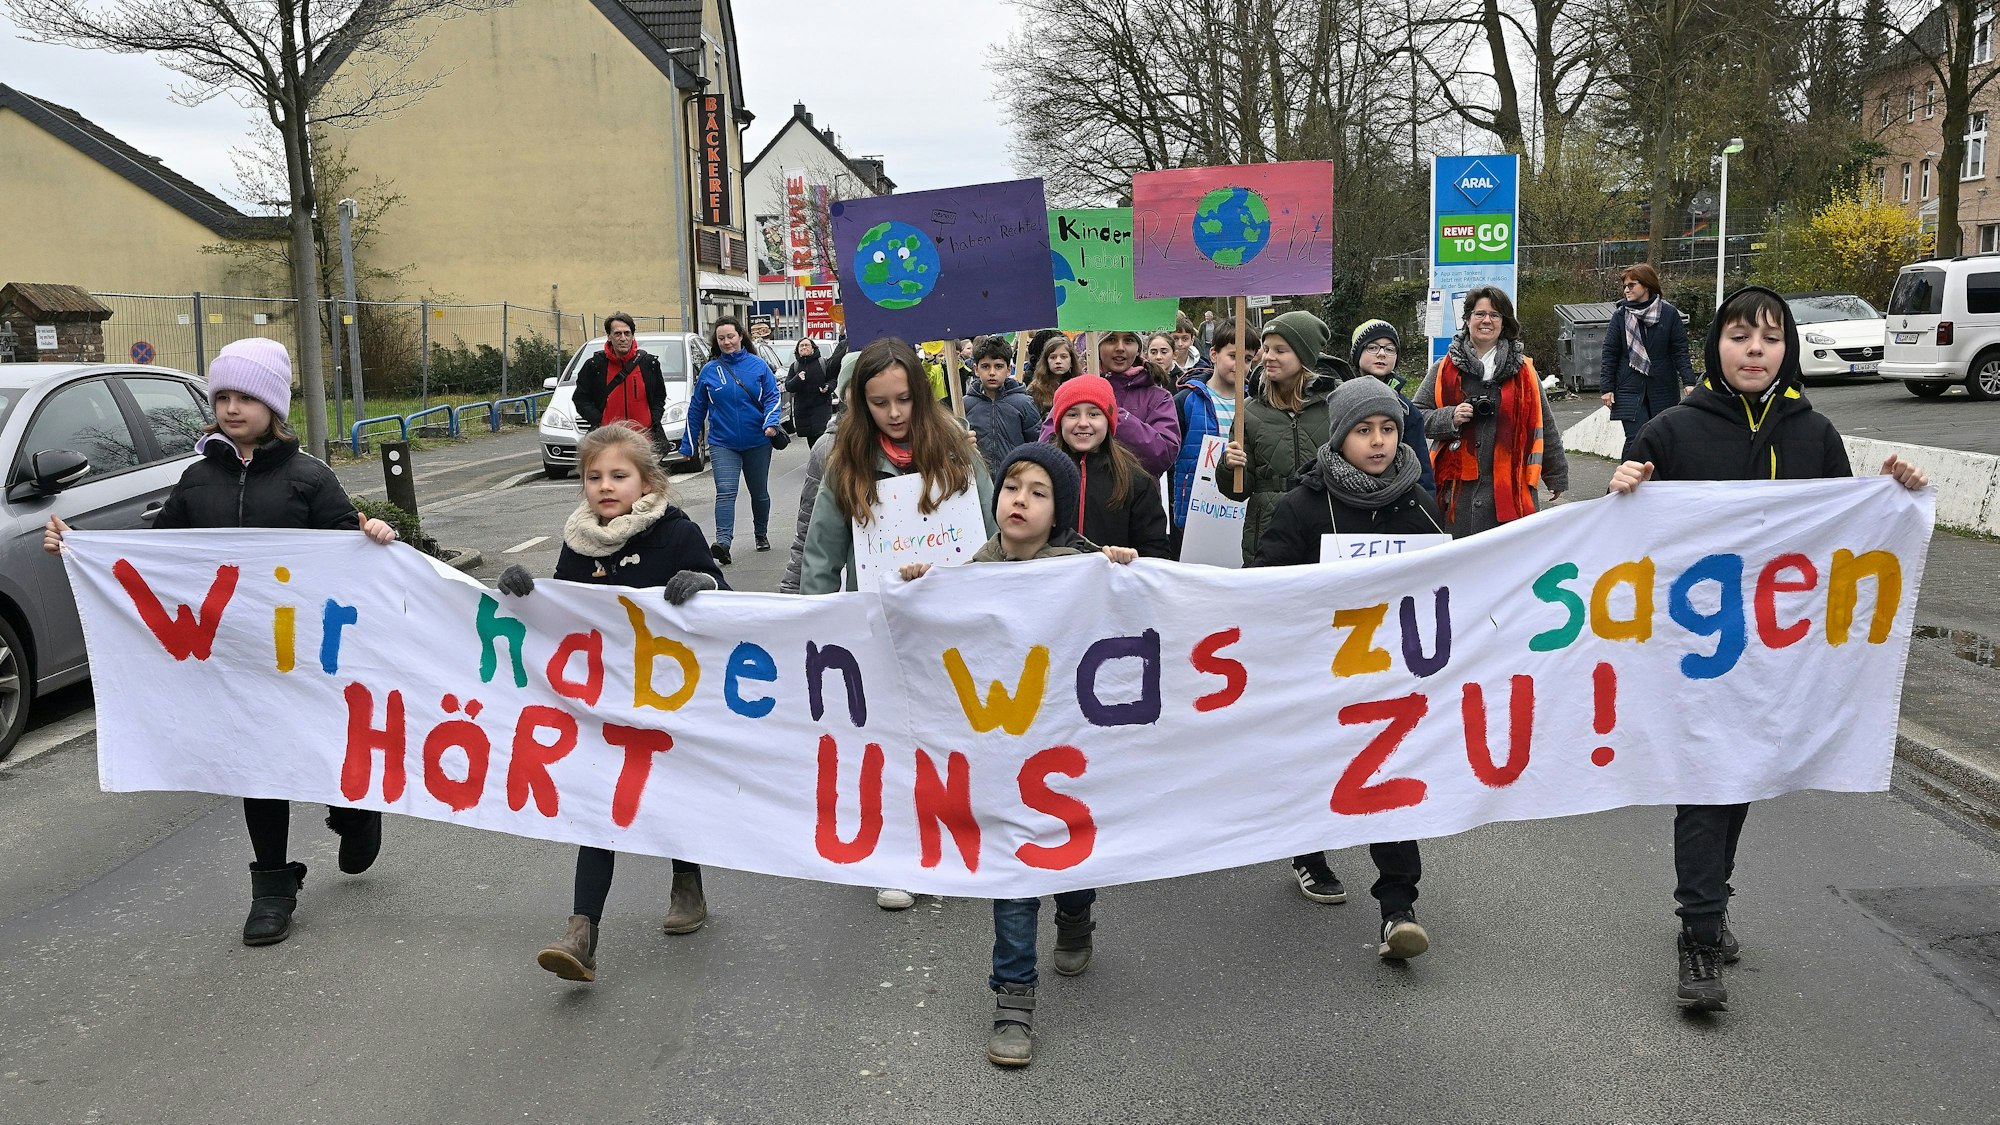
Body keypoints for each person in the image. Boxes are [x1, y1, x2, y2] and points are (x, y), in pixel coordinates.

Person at [1607, 285, 1930, 1012]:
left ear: (1788, 349)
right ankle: (1697, 935)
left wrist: (1894, 496)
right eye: (1740, 336)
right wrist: (1623, 488)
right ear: (1714, 345)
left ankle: (1712, 905)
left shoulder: (1815, 435)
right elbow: (1624, 546)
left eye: (1771, 337)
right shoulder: (1669, 432)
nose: (1755, 350)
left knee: (1741, 778)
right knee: (1705, 783)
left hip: (1777, 659)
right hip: (1692, 656)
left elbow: (1843, 539)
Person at [44, 338, 398, 947]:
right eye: (223, 397)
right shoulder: (197, 479)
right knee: (257, 766)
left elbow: (345, 551)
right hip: (233, 659)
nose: (233, 408)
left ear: (273, 406)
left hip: (304, 655)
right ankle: (273, 889)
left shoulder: (309, 477)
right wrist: (79, 547)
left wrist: (371, 534)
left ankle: (355, 811)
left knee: (319, 748)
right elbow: (158, 554)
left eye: (247, 397)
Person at [895, 443, 1137, 1068]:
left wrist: (1120, 569)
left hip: (1065, 755)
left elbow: (1126, 621)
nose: (1019, 501)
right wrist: (923, 587)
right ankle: (1013, 1001)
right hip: (1003, 758)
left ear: (1058, 512)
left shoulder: (1083, 571)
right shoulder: (970, 573)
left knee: (1070, 853)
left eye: (1037, 492)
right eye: (1010, 488)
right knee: (1017, 873)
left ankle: (1076, 916)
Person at [498, 423, 727, 982]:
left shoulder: (677, 533)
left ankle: (687, 882)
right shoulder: (578, 542)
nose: (605, 486)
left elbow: (724, 601)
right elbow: (560, 611)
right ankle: (582, 931)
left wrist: (703, 584)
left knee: (667, 791)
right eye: (593, 476)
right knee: (599, 804)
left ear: (647, 481)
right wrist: (522, 593)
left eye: (618, 475)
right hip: (600, 700)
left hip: (665, 696)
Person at [1250, 378, 1450, 960]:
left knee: (1387, 781)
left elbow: (1448, 580)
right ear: (1339, 438)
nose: (1378, 440)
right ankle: (1308, 852)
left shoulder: (1420, 505)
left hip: (1392, 682)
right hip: (1319, 677)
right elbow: (1265, 582)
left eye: (1387, 428)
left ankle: (1398, 909)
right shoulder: (1304, 506)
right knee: (1320, 770)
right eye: (1363, 430)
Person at [799, 336, 997, 912]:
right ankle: (901, 855)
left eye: (904, 400)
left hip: (953, 621)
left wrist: (991, 602)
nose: (893, 413)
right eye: (880, 403)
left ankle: (956, 842)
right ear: (861, 402)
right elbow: (821, 556)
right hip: (882, 625)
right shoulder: (847, 463)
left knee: (954, 736)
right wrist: (817, 627)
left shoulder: (957, 450)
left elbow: (992, 533)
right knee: (892, 740)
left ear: (921, 395)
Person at [1414, 287, 1569, 536]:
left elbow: (1544, 425)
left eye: (1495, 315)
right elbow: (1415, 416)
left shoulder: (1525, 371)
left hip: (1511, 494)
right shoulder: (1443, 369)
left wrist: (1556, 475)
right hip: (1456, 498)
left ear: (1503, 323)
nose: (1487, 320)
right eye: (1480, 314)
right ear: (1467, 319)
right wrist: (1450, 417)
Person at [1218, 311, 1341, 573]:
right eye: (1266, 349)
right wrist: (1229, 467)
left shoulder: (1336, 405)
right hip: (1267, 532)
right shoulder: (1248, 411)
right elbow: (1237, 492)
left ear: (1305, 355)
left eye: (1280, 350)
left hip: (1325, 527)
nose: (1268, 357)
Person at [681, 316, 782, 564]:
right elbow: (696, 409)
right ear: (716, 342)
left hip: (758, 440)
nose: (727, 342)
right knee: (725, 492)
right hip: (723, 443)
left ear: (740, 337)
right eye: (721, 338)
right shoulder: (709, 371)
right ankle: (723, 543)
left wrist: (770, 423)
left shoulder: (758, 366)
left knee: (759, 492)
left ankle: (761, 533)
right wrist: (688, 444)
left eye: (730, 336)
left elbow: (772, 397)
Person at [1048, 374, 1171, 557]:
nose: (1083, 423)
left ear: (1109, 420)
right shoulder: (1041, 474)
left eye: (1094, 414)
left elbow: (1155, 549)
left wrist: (1131, 557)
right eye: (1072, 414)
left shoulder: (1136, 480)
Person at [1036, 330, 1181, 478]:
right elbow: (1046, 450)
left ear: (1138, 349)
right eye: (1111, 339)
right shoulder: (1074, 391)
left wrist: (1115, 415)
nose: (1120, 348)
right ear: (1097, 346)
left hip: (1134, 491)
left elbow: (1163, 455)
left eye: (1129, 340)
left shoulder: (1158, 397)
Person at [780, 352, 858, 595]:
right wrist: (793, 588)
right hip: (852, 590)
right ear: (844, 394)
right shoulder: (828, 448)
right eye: (856, 387)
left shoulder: (924, 444)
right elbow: (809, 526)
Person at [1599, 264, 1697, 453]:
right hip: (1628, 388)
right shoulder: (1620, 315)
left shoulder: (1668, 314)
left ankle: (1659, 474)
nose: (1626, 290)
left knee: (1663, 439)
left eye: (1631, 285)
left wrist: (1689, 381)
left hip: (1662, 387)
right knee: (1635, 439)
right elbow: (1610, 353)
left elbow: (1679, 350)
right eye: (1625, 286)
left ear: (1646, 285)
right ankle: (1627, 474)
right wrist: (1607, 388)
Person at [1170, 316, 1245, 559]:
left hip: (1238, 510)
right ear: (1213, 354)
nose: (1241, 365)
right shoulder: (1186, 400)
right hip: (1195, 509)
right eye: (1233, 356)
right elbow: (1170, 458)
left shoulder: (1254, 404)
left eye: (1248, 359)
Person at [1347, 319, 1436, 496]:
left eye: (1389, 349)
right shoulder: (1338, 401)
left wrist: (1426, 504)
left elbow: (1422, 470)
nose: (1382, 354)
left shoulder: (1407, 410)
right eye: (1372, 347)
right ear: (1357, 354)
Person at [572, 313, 668, 454]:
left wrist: (652, 419)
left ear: (632, 336)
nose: (623, 338)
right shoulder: (594, 366)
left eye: (627, 333)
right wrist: (600, 421)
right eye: (617, 334)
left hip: (643, 441)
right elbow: (581, 398)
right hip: (608, 442)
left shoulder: (649, 364)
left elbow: (659, 396)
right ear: (609, 337)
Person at [964, 335, 1042, 478]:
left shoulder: (1023, 403)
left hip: (1016, 478)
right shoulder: (965, 405)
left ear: (1008, 369)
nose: (992, 372)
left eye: (998, 366)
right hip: (979, 480)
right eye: (985, 366)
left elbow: (1037, 444)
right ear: (976, 369)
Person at [785, 337, 837, 448]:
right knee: (812, 441)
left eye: (807, 345)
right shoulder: (795, 366)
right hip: (804, 410)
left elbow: (833, 380)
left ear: (813, 348)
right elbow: (789, 386)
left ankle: (824, 458)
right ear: (797, 350)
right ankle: (817, 458)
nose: (804, 347)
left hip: (821, 407)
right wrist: (797, 379)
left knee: (822, 438)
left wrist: (827, 387)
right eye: (801, 346)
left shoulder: (823, 363)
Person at [1026, 332, 1080, 415]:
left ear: (1072, 361)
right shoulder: (1034, 390)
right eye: (1053, 357)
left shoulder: (1080, 386)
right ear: (1046, 361)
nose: (1058, 361)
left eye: (1063, 356)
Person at [1173, 313, 1210, 380]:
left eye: (1185, 339)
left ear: (1192, 340)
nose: (1180, 344)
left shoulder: (1203, 367)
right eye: (1175, 339)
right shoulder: (1162, 366)